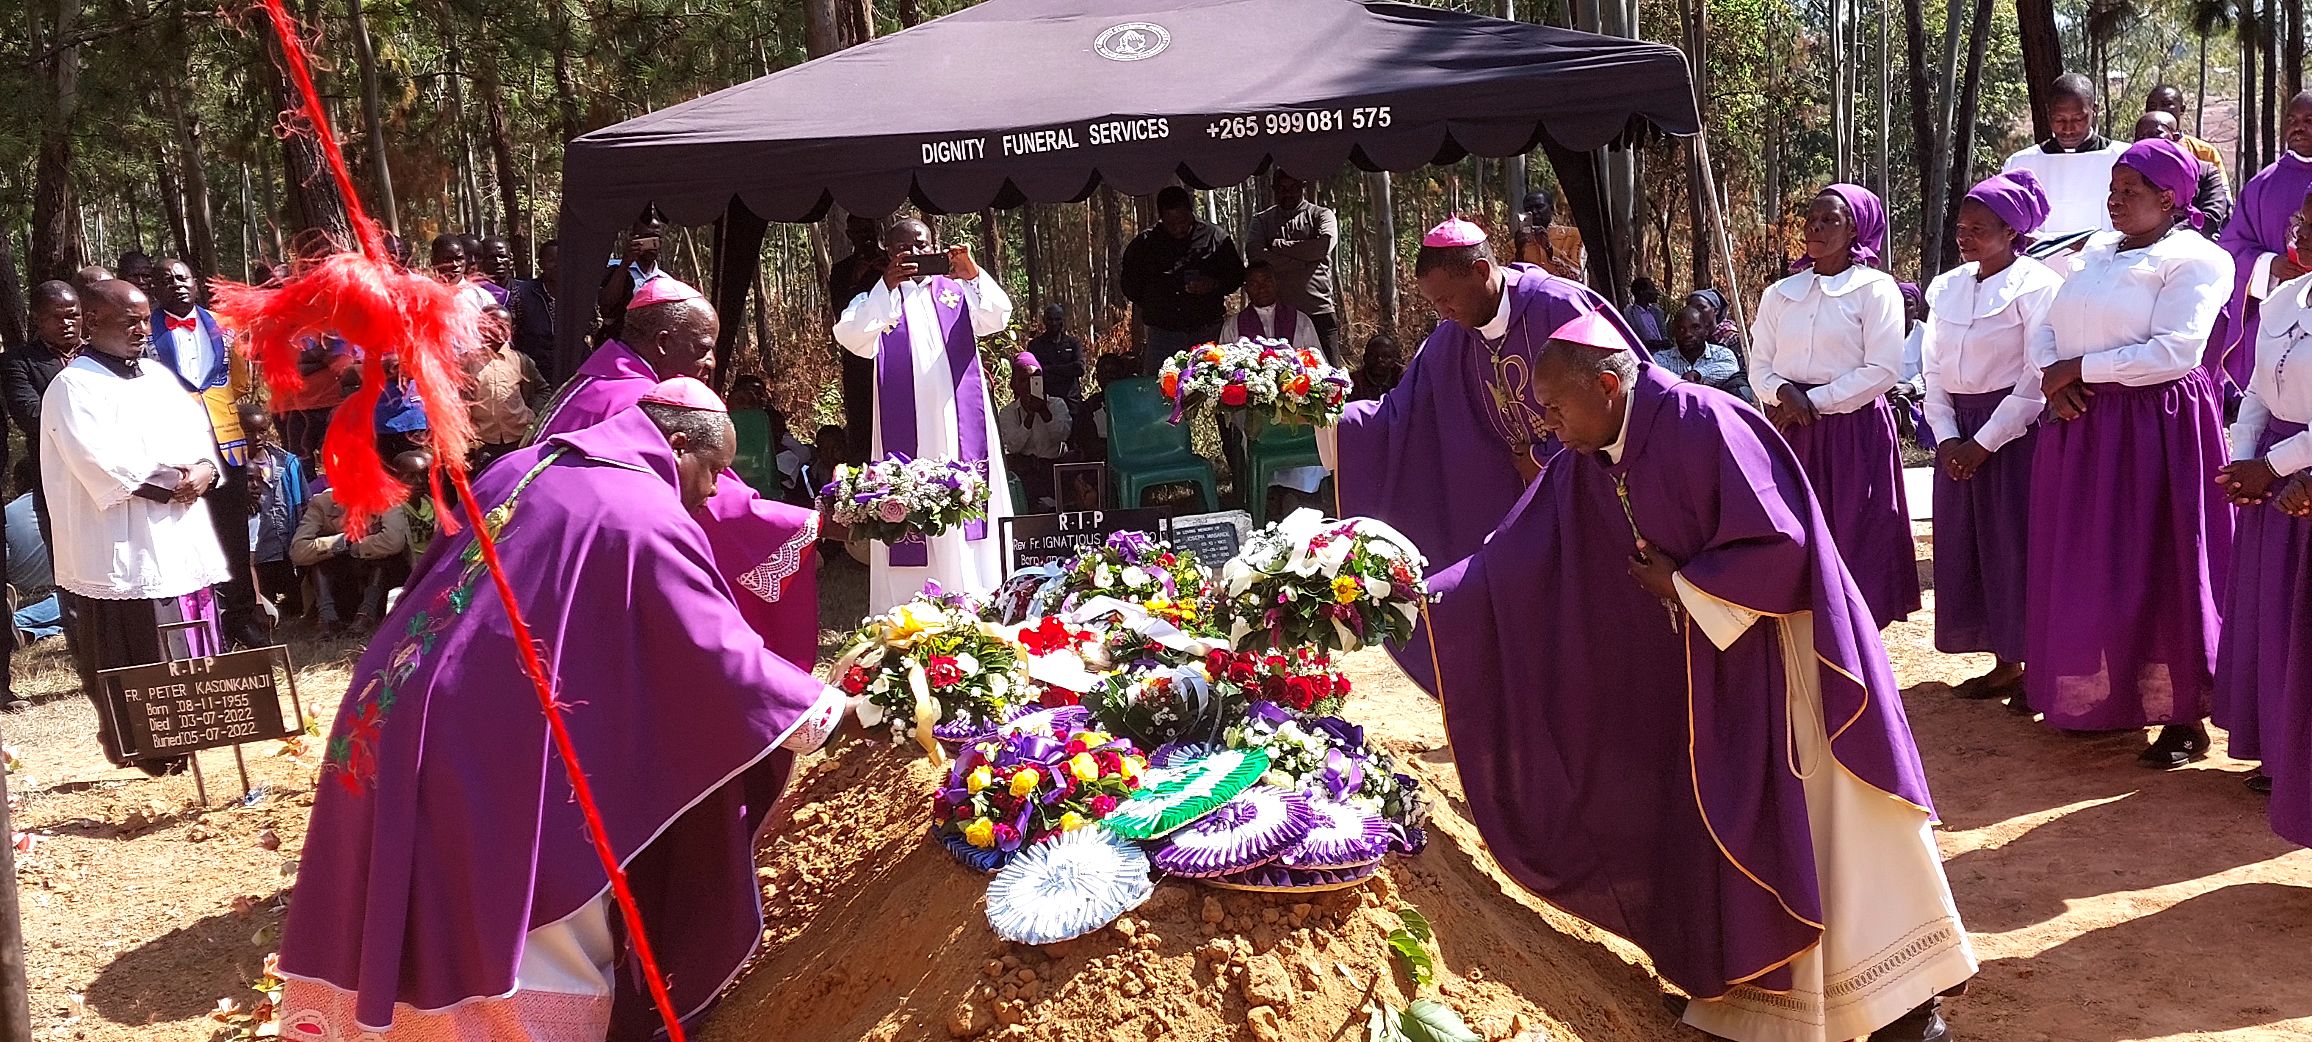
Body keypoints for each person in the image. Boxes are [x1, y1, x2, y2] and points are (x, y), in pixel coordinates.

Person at [1419, 311, 1973, 1042]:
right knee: (1748, 817)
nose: (1545, 424)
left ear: (1609, 386)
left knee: (1838, 828)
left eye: (1554, 407)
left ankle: (1905, 1008)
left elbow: (1784, 543)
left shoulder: (1703, 421)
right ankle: (1767, 998)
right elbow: (1514, 556)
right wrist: (1415, 598)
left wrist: (1683, 586)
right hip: (1719, 661)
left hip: (1791, 661)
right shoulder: (1594, 452)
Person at [272, 383, 850, 1042]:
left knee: (424, 907)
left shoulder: (526, 464)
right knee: (533, 944)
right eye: (715, 469)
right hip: (494, 752)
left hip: (395, 712)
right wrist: (834, 709)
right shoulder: (641, 512)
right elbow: (718, 655)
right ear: (677, 444)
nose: (716, 490)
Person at [1334, 216, 1642, 687]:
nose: (1442, 313)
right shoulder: (1454, 335)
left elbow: (1621, 394)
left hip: (1590, 487)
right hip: (1516, 501)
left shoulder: (1558, 308)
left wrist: (1543, 460)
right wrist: (1330, 417)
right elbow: (1400, 413)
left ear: (1481, 272)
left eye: (1446, 299)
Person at [2026, 137, 2234, 766]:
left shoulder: (2196, 259)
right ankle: (2112, 700)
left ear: (2170, 198)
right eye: (2112, 191)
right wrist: (2053, 377)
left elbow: (2176, 350)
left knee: (2160, 560)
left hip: (2155, 425)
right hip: (2086, 421)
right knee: (2094, 562)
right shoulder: (2095, 250)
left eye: (2129, 192)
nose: (2114, 202)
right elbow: (2047, 324)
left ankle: (2185, 716)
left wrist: (2078, 368)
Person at [536, 275, 822, 667]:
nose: (711, 363)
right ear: (664, 342)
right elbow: (710, 502)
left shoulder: (590, 383)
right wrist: (801, 524)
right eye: (704, 348)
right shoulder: (637, 401)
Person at [39, 280, 229, 776]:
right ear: (93, 320)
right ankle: (147, 746)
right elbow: (99, 463)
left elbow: (199, 435)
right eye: (130, 321)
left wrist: (204, 471)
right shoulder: (73, 386)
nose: (143, 330)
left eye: (146, 319)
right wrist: (178, 483)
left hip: (176, 531)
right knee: (135, 640)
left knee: (185, 629)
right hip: (119, 541)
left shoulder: (157, 376)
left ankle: (193, 729)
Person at [1748, 184, 1921, 629]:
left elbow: (1883, 369)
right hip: (1789, 428)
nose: (1816, 227)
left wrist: (1813, 401)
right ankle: (1804, 630)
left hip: (1852, 428)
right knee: (1793, 529)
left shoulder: (1875, 290)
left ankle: (1857, 636)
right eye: (1811, 219)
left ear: (1855, 230)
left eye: (1831, 220)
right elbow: (1759, 366)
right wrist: (1783, 394)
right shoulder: (1781, 293)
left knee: (1854, 531)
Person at [1922, 170, 2064, 706]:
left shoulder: (2038, 286)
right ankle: (2004, 661)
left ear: (2011, 232)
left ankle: (2035, 665)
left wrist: (1985, 442)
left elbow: (2035, 376)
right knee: (1973, 547)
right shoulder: (1948, 288)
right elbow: (1933, 367)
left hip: (2012, 437)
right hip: (1956, 430)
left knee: (2016, 547)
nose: (1965, 236)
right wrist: (1946, 438)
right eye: (1962, 225)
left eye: (1979, 227)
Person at [834, 218, 1018, 610]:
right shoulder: (879, 298)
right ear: (889, 252)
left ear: (935, 245)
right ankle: (912, 602)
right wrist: (886, 286)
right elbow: (850, 336)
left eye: (921, 245)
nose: (914, 255)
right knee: (910, 505)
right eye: (903, 248)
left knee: (969, 506)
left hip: (960, 425)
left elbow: (998, 315)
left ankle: (978, 594)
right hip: (907, 434)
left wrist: (974, 274)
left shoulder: (956, 291)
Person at [2213, 187, 2312, 806]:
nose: (2299, 232)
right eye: (2301, 219)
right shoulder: (2284, 297)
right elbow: (2254, 388)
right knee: (2276, 623)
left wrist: (2272, 466)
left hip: (2300, 478)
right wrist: (2245, 456)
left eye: (2311, 223)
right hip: (2275, 481)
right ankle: (2281, 752)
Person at [148, 257, 267, 650]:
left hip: (226, 441)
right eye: (166, 280)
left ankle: (243, 619)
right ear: (156, 289)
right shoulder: (145, 330)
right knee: (188, 531)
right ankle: (201, 624)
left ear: (195, 283)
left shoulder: (227, 325)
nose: (177, 285)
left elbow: (238, 381)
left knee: (232, 532)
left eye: (182, 278)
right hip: (175, 444)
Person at [2209, 91, 2312, 402]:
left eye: (2309, 121)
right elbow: (2231, 246)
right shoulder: (2262, 184)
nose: (2299, 128)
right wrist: (2269, 265)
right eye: (2292, 121)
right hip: (2278, 308)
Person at [1120, 186, 1245, 373]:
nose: (1178, 227)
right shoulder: (1144, 245)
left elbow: (1236, 276)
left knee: (1212, 388)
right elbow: (1129, 285)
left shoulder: (1215, 238)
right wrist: (1156, 299)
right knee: (1158, 389)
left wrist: (1213, 285)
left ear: (1191, 211)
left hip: (1207, 331)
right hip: (1163, 334)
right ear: (1161, 218)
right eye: (1171, 223)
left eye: (1183, 220)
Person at [2001, 73, 2128, 242]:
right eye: (2059, 119)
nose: (2068, 129)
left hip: (2108, 261)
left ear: (2094, 110)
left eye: (2078, 118)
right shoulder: (2021, 164)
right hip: (2040, 263)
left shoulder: (2123, 158)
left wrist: (2096, 244)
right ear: (2049, 113)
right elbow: (2009, 223)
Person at [290, 461, 412, 635]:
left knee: (383, 558)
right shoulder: (322, 503)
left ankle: (366, 615)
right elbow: (298, 551)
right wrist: (344, 541)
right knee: (320, 559)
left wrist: (356, 547)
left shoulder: (387, 500)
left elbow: (393, 541)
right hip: (341, 584)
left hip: (377, 581)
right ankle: (327, 618)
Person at [3, 281, 82, 547]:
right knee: (66, 557)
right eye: (56, 317)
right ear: (37, 319)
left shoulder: (103, 354)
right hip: (54, 477)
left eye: (73, 314)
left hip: (115, 472)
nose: (67, 323)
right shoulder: (19, 362)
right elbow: (31, 415)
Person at [1244, 169, 1342, 363]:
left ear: (1302, 187)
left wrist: (1279, 246)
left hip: (1317, 311)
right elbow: (1255, 255)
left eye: (1292, 187)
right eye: (1281, 189)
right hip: (1278, 316)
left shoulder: (1321, 215)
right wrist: (1304, 260)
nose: (1287, 193)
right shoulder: (1262, 221)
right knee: (1280, 381)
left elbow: (1322, 247)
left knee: (1331, 377)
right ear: (1274, 190)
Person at [241, 402, 310, 626]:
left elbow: (303, 502)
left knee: (298, 604)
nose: (257, 437)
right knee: (262, 609)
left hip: (287, 548)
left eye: (261, 431)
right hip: (257, 554)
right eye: (248, 432)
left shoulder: (287, 463)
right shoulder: (233, 468)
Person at [828, 214, 888, 441]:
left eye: (868, 230)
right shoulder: (842, 270)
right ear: (849, 234)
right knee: (862, 420)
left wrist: (887, 273)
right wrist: (857, 278)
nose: (865, 237)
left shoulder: (892, 262)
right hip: (858, 359)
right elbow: (840, 313)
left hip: (893, 351)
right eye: (859, 231)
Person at [464, 304, 546, 470]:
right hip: (483, 443)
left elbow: (542, 390)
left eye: (502, 327)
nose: (496, 332)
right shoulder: (466, 363)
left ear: (511, 329)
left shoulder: (521, 360)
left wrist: (533, 416)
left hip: (519, 439)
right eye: (489, 326)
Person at [2133, 110, 2233, 234]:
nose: (2147, 140)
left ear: (2175, 137)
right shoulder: (2130, 177)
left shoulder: (2206, 173)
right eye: (2140, 137)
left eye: (2156, 133)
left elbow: (2210, 217)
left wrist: (2167, 235)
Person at [998, 353, 1071, 510]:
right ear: (1014, 384)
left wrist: (1044, 412)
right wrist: (1029, 416)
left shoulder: (1056, 405)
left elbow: (1063, 436)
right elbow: (1012, 446)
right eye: (1023, 380)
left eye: (1034, 379)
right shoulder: (1008, 412)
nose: (1029, 385)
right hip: (1025, 475)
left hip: (1054, 471)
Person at [275, 336, 361, 468]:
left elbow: (342, 360)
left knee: (337, 460)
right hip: (294, 406)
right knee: (299, 463)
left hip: (332, 403)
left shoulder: (338, 325)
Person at [2145, 84, 2230, 190]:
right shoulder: (2137, 153)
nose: (2158, 110)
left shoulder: (2205, 153)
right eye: (2152, 106)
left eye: (2166, 104)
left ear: (2182, 109)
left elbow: (2221, 197)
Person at [1224, 262, 1320, 353]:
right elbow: (1224, 363)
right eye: (1254, 284)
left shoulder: (1301, 320)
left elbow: (1317, 361)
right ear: (1246, 288)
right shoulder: (1233, 325)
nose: (1262, 288)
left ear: (1276, 283)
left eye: (1267, 281)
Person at [1657, 303, 1749, 398]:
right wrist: (1684, 381)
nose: (1688, 334)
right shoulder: (1662, 359)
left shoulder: (1722, 354)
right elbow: (1659, 377)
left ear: (1706, 331)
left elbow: (1730, 368)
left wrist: (1697, 374)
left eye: (1695, 327)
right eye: (1681, 329)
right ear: (1674, 333)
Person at [508, 239, 560, 385]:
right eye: (551, 260)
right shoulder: (523, 292)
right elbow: (513, 333)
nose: (557, 265)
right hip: (535, 375)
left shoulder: (577, 294)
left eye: (562, 260)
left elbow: (591, 327)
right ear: (541, 263)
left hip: (571, 370)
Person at [1515, 191, 1587, 282]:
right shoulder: (1515, 244)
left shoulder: (1574, 236)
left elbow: (1578, 276)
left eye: (1539, 207)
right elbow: (1509, 280)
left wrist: (1550, 249)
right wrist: (1519, 252)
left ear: (1552, 208)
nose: (1534, 212)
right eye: (1528, 209)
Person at [1024, 303, 1088, 402]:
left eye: (1057, 319)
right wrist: (1067, 370)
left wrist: (1049, 368)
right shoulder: (1035, 345)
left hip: (1072, 401)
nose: (1054, 323)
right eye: (1050, 319)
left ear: (1062, 321)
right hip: (1047, 402)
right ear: (1044, 321)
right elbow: (1034, 374)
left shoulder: (1073, 343)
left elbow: (1080, 368)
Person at [430, 234, 494, 315]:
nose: (455, 264)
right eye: (447, 259)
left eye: (459, 258)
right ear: (433, 261)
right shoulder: (423, 297)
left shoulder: (482, 297)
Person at [1350, 333, 1405, 402]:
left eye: (1385, 356)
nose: (1379, 359)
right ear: (1365, 358)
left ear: (1394, 361)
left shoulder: (1403, 379)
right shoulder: (1353, 383)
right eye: (1373, 355)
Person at [1622, 277, 1672, 353]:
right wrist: (1655, 344)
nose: (1656, 293)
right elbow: (1633, 341)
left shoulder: (1657, 312)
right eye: (1652, 289)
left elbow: (1663, 335)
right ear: (1642, 292)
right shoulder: (1630, 315)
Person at [475, 235, 517, 306]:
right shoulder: (475, 293)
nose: (498, 261)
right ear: (481, 260)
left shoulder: (524, 291)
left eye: (502, 256)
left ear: (511, 260)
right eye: (491, 257)